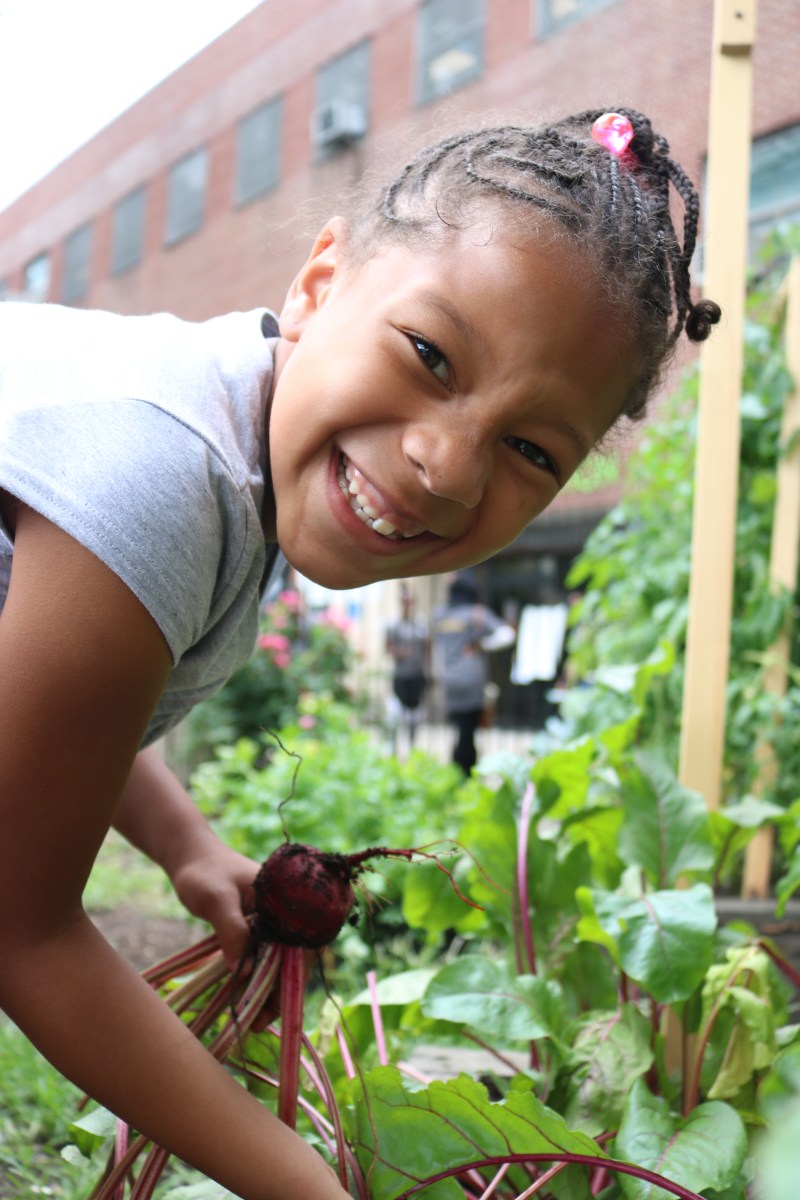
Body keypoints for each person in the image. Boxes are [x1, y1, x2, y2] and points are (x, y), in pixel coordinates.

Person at [0, 107, 719, 1199]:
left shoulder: (236, 445)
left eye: (531, 449)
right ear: (319, 283)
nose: (448, 467)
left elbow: (58, 719)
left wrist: (187, 846)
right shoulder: (163, 472)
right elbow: (23, 930)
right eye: (430, 355)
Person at [432, 571, 517, 774]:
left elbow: (435, 645)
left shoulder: (439, 614)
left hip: (449, 679)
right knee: (468, 730)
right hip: (471, 679)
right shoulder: (476, 613)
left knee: (458, 727)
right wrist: (482, 645)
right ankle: (465, 771)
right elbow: (507, 635)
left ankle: (457, 770)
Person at [385, 583, 430, 751]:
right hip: (401, 675)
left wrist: (430, 672)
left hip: (417, 675)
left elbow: (427, 650)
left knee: (415, 717)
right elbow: (388, 648)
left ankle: (411, 748)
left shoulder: (420, 625)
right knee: (396, 714)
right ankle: (393, 749)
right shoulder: (394, 625)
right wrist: (401, 652)